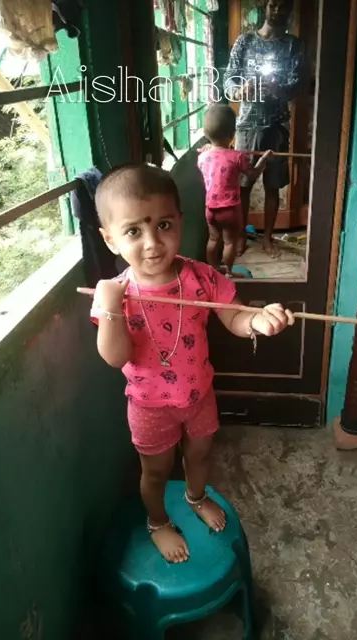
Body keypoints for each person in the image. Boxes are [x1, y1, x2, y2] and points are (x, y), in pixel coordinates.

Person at [90, 163, 294, 563]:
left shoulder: (200, 278)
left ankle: (196, 497)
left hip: (199, 394)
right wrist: (111, 307)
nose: (152, 243)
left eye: (164, 225)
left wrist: (256, 320)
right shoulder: (116, 294)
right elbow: (115, 357)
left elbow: (234, 316)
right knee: (155, 471)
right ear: (110, 239)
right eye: (133, 231)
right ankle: (157, 522)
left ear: (181, 221)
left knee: (199, 456)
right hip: (149, 406)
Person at [223, 0, 305, 258]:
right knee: (243, 186)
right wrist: (239, 91)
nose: (278, 11)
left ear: (290, 10)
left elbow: (298, 86)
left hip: (278, 125)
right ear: (265, 6)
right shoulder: (245, 41)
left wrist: (279, 89)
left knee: (273, 185)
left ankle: (268, 238)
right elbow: (228, 80)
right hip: (247, 124)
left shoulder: (294, 45)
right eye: (273, 5)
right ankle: (239, 237)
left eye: (284, 6)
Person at [197, 104, 272, 275]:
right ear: (232, 135)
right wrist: (263, 160)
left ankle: (213, 270)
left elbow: (211, 158)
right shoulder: (237, 157)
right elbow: (252, 175)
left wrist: (208, 148)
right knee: (229, 242)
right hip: (230, 209)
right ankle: (229, 272)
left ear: (206, 133)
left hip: (210, 209)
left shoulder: (203, 157)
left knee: (213, 239)